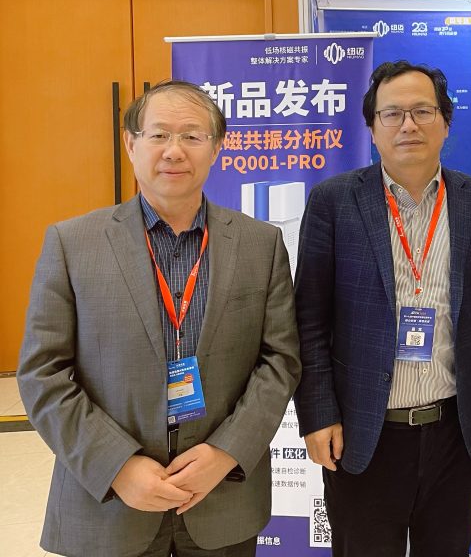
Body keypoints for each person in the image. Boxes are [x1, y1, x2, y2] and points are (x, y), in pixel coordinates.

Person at [17, 80, 301, 557]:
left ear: (217, 147)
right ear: (131, 144)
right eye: (159, 135)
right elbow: (42, 374)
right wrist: (118, 465)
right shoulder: (72, 244)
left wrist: (226, 452)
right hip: (110, 504)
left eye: (192, 136)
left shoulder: (260, 244)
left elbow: (280, 361)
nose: (174, 150)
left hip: (221, 498)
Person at [292, 61, 471, 557]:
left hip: (454, 431)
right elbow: (309, 321)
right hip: (362, 433)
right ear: (372, 128)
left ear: (445, 123)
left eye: (422, 111)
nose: (408, 125)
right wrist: (318, 415)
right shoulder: (333, 202)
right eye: (392, 114)